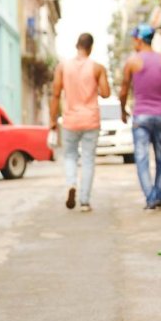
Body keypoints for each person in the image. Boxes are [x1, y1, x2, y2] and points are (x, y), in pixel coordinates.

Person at [119, 23, 161, 210]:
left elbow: (124, 90)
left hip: (141, 117)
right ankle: (158, 194)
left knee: (141, 158)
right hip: (160, 116)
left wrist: (122, 110)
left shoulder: (132, 62)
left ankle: (150, 196)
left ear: (139, 40)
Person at [49, 33, 111, 212]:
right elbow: (106, 93)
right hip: (91, 119)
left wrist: (52, 120)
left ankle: (71, 184)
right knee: (88, 160)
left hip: (70, 120)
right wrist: (96, 86)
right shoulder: (97, 68)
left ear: (77, 45)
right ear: (91, 48)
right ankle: (84, 201)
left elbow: (55, 95)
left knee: (69, 156)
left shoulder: (62, 67)